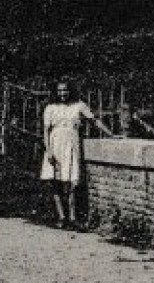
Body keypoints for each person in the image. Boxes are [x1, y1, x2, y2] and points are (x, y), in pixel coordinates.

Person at [40, 81, 116, 226]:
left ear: (70, 91)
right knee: (55, 182)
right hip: (55, 146)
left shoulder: (78, 105)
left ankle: (73, 218)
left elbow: (94, 120)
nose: (63, 93)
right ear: (56, 92)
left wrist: (111, 135)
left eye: (66, 90)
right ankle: (61, 217)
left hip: (71, 146)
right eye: (60, 90)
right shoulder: (50, 108)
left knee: (71, 182)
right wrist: (49, 150)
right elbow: (46, 131)